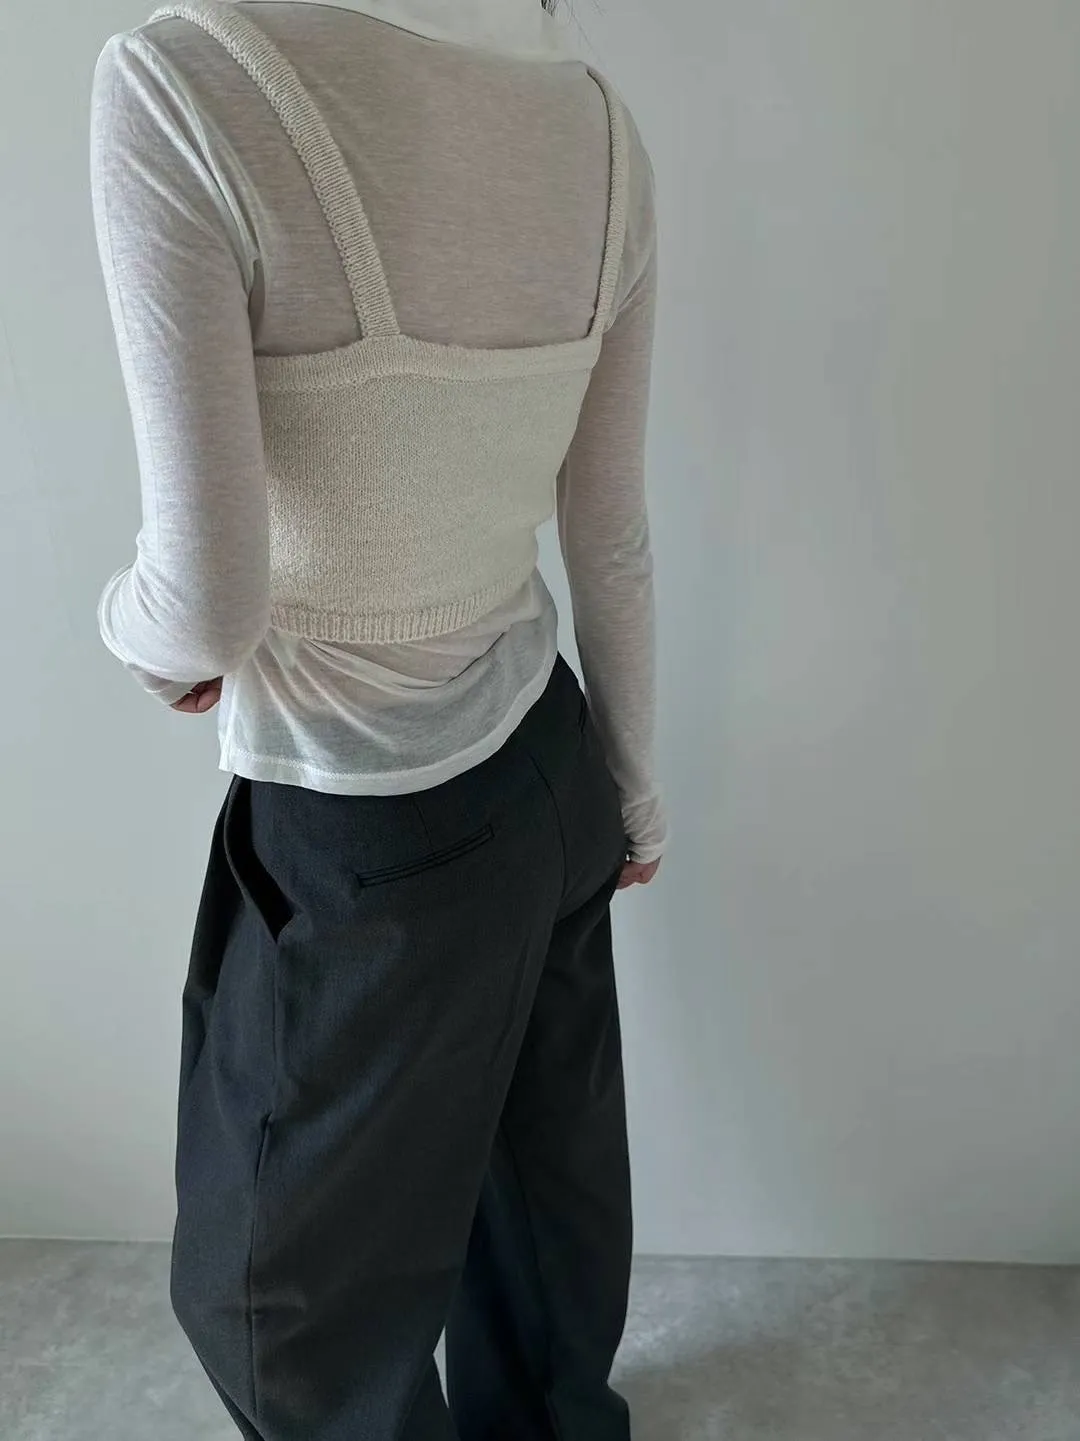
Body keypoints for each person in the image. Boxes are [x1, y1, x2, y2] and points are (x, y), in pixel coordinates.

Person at [90, 0, 666, 1435]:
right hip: (551, 765)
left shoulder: (183, 83)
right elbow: (608, 530)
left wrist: (129, 633)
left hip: (368, 815)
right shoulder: (602, 132)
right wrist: (632, 789)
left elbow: (203, 606)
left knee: (278, 1305)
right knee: (541, 1189)